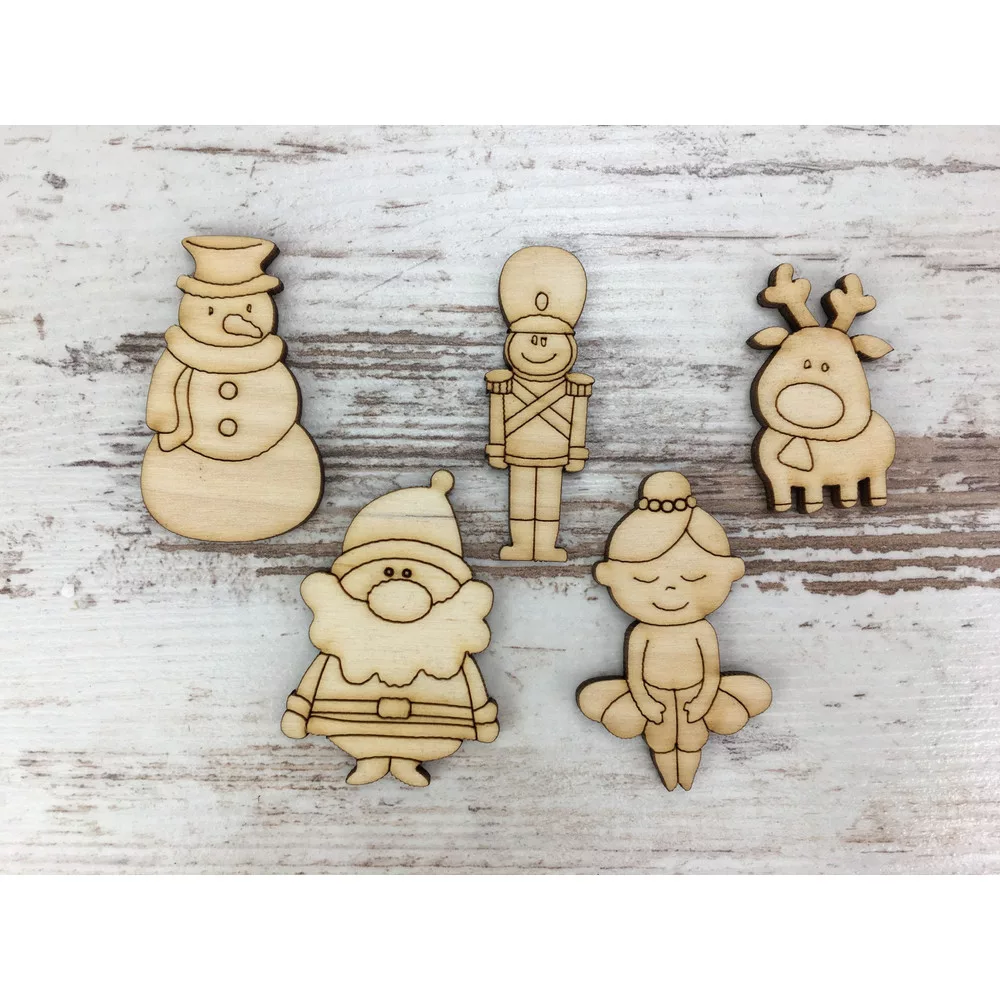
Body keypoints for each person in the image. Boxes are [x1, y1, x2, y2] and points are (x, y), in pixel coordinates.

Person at [578, 472, 771, 790]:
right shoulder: (642, 632)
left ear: (729, 572)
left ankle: (686, 777)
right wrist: (643, 702)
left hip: (696, 694)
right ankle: (671, 778)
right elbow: (634, 675)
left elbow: (711, 672)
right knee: (661, 739)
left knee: (693, 738)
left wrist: (705, 700)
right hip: (653, 696)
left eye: (694, 577)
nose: (670, 588)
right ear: (610, 575)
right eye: (645, 579)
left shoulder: (701, 630)